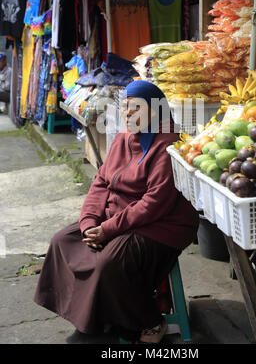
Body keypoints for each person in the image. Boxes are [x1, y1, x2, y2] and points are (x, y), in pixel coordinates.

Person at [34, 80, 199, 344]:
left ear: (154, 111)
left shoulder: (168, 145)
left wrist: (108, 229)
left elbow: (155, 203)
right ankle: (95, 318)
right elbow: (101, 181)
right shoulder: (123, 138)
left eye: (136, 108)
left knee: (110, 263)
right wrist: (89, 223)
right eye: (125, 108)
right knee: (63, 241)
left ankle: (151, 321)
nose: (128, 114)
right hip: (119, 218)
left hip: (161, 225)